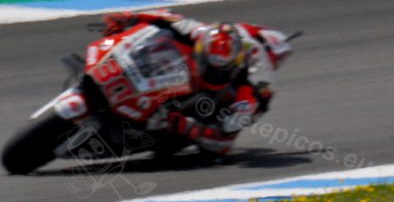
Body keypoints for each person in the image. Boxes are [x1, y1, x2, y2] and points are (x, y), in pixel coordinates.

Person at [102, 9, 294, 156]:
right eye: (209, 66)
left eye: (218, 71)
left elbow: (224, 142)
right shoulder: (200, 33)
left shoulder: (251, 87)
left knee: (218, 142)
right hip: (233, 42)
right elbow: (167, 17)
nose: (212, 73)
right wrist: (126, 17)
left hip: (248, 81)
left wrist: (184, 125)